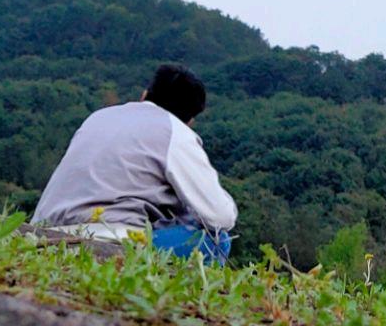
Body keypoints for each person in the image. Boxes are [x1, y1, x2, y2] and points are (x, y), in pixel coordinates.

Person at [32, 64, 237, 264]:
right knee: (215, 240)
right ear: (190, 120)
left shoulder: (99, 117)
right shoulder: (176, 132)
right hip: (110, 239)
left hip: (44, 234)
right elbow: (220, 217)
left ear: (144, 94)